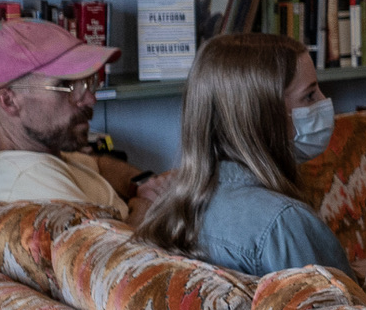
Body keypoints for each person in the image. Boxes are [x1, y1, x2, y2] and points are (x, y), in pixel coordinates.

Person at [135, 33, 350, 278]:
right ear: (262, 115)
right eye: (309, 95)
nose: (326, 103)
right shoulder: (284, 223)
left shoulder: (173, 207)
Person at [0, 17, 149, 214]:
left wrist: (143, 183)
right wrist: (146, 204)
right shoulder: (33, 187)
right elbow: (119, 245)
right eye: (66, 85)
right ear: (8, 101)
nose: (90, 99)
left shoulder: (43, 154)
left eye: (87, 83)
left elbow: (98, 164)